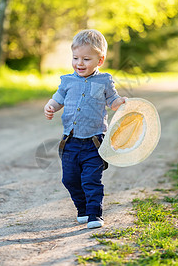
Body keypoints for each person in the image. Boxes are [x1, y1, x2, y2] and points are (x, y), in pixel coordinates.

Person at [44, 29, 127, 229]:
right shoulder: (67, 80)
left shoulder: (104, 80)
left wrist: (120, 102)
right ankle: (82, 209)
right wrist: (50, 106)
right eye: (75, 58)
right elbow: (58, 99)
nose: (79, 63)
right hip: (70, 142)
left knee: (91, 180)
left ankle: (94, 214)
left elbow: (112, 101)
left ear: (100, 60)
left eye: (86, 59)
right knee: (69, 179)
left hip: (95, 142)